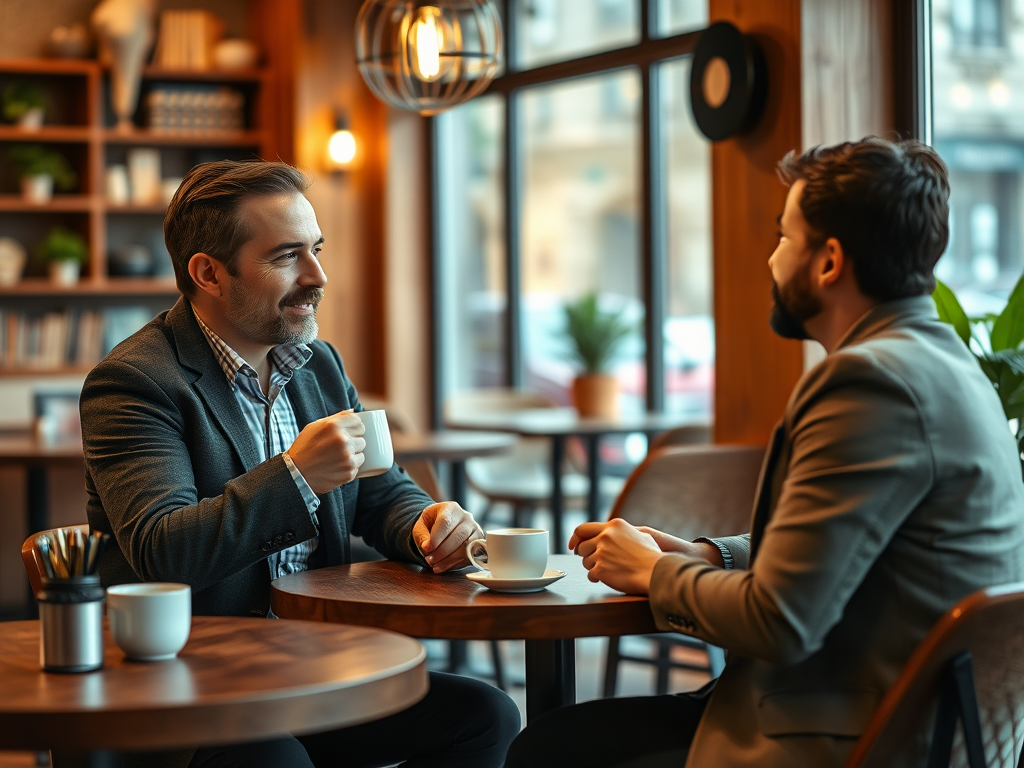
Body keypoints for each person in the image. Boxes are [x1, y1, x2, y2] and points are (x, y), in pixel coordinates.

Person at [505, 137, 1024, 768]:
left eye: (784, 237)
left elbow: (781, 620)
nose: (772, 259)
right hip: (916, 728)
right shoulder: (947, 367)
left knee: (549, 749)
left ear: (829, 262)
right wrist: (704, 555)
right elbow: (853, 556)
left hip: (851, 741)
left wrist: (651, 572)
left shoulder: (869, 383)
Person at [81, 159, 520, 768]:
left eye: (316, 249)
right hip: (188, 681)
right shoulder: (135, 382)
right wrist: (296, 475)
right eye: (286, 256)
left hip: (315, 660)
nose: (317, 276)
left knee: (487, 716)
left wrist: (426, 524)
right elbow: (163, 550)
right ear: (208, 273)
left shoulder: (317, 363)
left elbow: (379, 491)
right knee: (275, 760)